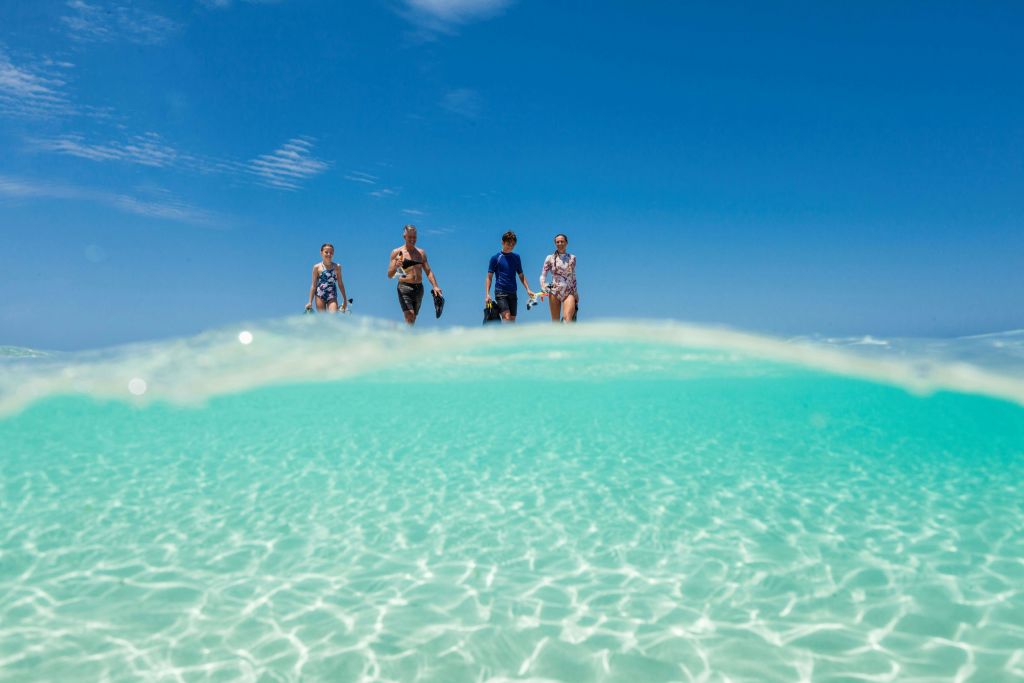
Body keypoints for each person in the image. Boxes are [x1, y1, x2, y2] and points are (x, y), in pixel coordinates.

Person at [387, 224, 443, 325]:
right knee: (410, 315)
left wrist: (435, 286)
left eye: (414, 237)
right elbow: (390, 275)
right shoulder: (396, 252)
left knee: (412, 319)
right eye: (410, 237)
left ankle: (406, 337)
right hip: (404, 288)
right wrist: (396, 266)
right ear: (404, 237)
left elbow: (428, 271)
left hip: (419, 288)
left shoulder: (421, 253)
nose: (412, 239)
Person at [485, 230, 536, 323]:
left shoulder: (516, 257)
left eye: (513, 244)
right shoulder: (495, 258)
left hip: (513, 292)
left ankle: (502, 337)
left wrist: (528, 289)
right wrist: (487, 294)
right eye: (508, 244)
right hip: (501, 292)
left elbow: (521, 275)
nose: (511, 246)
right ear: (502, 242)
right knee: (507, 318)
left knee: (511, 322)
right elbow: (489, 277)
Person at [539, 233, 578, 323]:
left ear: (566, 243)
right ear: (555, 243)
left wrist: (576, 293)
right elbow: (543, 275)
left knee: (567, 319)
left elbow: (573, 276)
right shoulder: (550, 258)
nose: (560, 243)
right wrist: (543, 286)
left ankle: (567, 336)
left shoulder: (572, 258)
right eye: (558, 242)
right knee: (555, 322)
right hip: (554, 291)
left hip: (569, 291)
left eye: (562, 241)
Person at [305, 243, 348, 313]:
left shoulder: (337, 267)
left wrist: (345, 299)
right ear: (321, 253)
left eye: (331, 253)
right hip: (320, 295)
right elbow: (313, 285)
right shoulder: (317, 267)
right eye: (326, 252)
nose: (329, 254)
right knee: (323, 319)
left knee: (333, 315)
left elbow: (340, 284)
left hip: (332, 295)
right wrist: (310, 302)